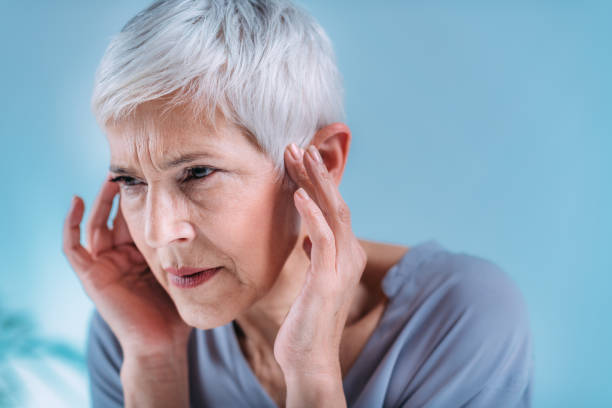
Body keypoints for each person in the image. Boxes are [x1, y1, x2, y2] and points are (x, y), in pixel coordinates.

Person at [62, 0, 534, 407]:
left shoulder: (457, 319)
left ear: (322, 163)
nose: (159, 233)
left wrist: (312, 375)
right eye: (132, 181)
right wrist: (154, 364)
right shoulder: (131, 327)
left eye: (198, 173)